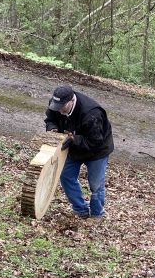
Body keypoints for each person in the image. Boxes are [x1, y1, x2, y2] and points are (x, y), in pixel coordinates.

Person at [44, 84, 114, 219]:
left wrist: (74, 139)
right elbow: (50, 119)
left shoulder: (91, 113)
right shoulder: (56, 105)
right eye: (56, 107)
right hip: (72, 146)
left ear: (71, 101)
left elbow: (95, 141)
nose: (59, 111)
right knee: (65, 175)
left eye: (61, 108)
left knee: (96, 184)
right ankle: (80, 209)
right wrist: (52, 127)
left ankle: (97, 213)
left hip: (97, 151)